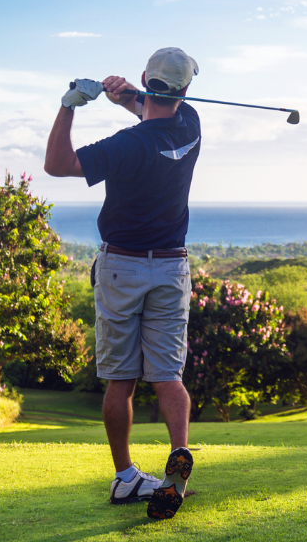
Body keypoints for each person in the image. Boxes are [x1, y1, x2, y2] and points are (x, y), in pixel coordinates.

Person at [44, 47, 200, 520]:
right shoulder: (191, 124)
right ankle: (178, 460)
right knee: (167, 376)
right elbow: (152, 107)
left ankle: (126, 478)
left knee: (121, 379)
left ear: (145, 78)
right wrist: (124, 96)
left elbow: (58, 164)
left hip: (122, 267)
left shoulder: (125, 146)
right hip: (171, 267)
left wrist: (70, 104)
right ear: (186, 90)